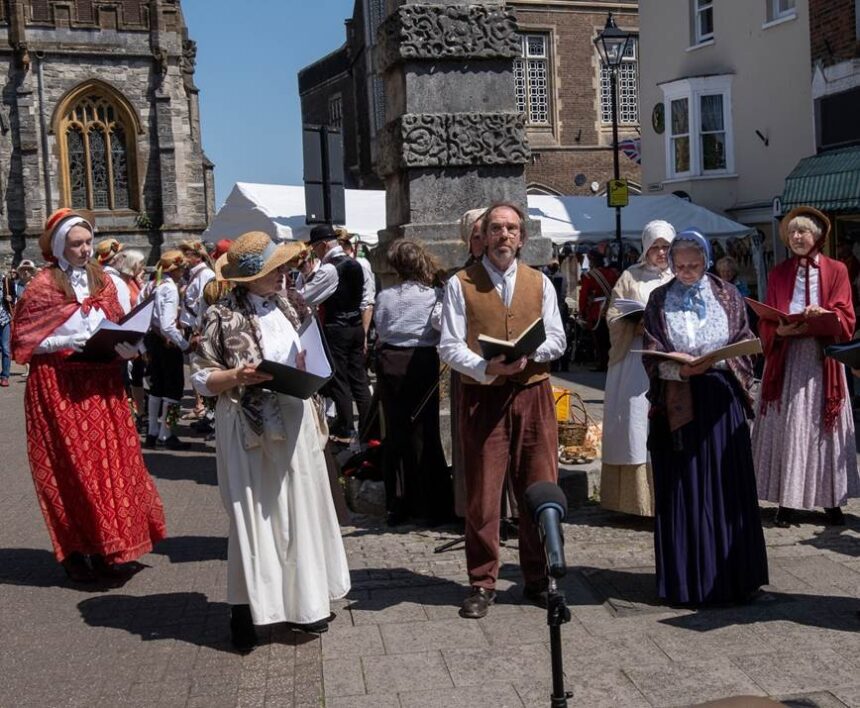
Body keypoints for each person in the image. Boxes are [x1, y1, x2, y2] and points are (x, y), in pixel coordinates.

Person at [191, 230, 350, 652]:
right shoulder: (220, 316)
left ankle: (307, 604)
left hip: (295, 415)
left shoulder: (289, 303)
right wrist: (237, 377)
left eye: (281, 267)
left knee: (300, 509)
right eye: (273, 269)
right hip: (248, 425)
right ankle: (245, 610)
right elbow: (202, 378)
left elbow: (308, 351)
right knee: (254, 516)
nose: (282, 274)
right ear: (250, 278)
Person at [10, 208, 166, 583]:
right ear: (60, 246)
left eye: (87, 242)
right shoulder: (43, 285)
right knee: (75, 471)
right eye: (76, 244)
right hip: (60, 386)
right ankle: (81, 548)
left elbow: (117, 323)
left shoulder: (102, 280)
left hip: (101, 381)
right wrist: (65, 340)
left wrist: (127, 346)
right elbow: (23, 342)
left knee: (112, 466)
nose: (84, 249)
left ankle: (113, 546)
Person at [439, 201, 566, 619]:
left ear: (522, 237)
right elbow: (449, 345)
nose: (504, 236)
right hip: (483, 395)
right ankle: (482, 582)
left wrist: (529, 355)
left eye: (511, 229)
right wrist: (485, 366)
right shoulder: (460, 283)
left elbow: (559, 339)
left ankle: (537, 577)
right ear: (483, 236)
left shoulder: (540, 282)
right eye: (496, 228)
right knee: (483, 492)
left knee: (537, 487)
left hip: (533, 392)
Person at [642, 228, 768, 606]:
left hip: (721, 401)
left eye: (693, 265)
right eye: (679, 265)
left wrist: (724, 359)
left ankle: (734, 578)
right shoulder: (658, 298)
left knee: (726, 489)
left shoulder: (728, 295)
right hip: (679, 402)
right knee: (685, 488)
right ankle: (687, 580)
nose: (686, 271)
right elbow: (650, 352)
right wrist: (678, 370)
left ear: (707, 261)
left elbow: (745, 341)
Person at [753, 207, 860, 527]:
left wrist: (824, 315)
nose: (797, 237)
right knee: (790, 427)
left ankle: (830, 499)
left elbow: (847, 316)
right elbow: (767, 317)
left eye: (804, 231)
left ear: (818, 237)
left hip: (822, 360)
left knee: (823, 430)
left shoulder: (837, 269)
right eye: (793, 232)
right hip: (787, 360)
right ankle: (787, 500)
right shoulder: (779, 272)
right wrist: (778, 331)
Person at [374, 239, 452, 526]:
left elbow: (380, 326)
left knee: (396, 432)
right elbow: (439, 326)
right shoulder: (433, 295)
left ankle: (398, 503)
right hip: (419, 360)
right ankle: (432, 503)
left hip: (389, 360)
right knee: (424, 429)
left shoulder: (385, 296)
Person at [601, 220, 676, 517]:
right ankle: (636, 501)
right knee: (635, 423)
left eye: (665, 247)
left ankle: (670, 495)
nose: (660, 252)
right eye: (655, 246)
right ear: (645, 248)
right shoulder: (631, 277)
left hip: (669, 359)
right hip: (635, 358)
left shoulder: (681, 275)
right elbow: (614, 315)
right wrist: (635, 323)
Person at [296, 224, 372, 442]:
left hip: (337, 328)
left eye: (315, 248)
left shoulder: (331, 269)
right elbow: (365, 298)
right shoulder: (355, 264)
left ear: (322, 245)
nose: (315, 253)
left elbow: (307, 297)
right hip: (355, 326)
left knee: (339, 379)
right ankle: (366, 426)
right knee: (359, 379)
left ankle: (346, 426)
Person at [143, 250, 192, 451]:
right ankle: (166, 433)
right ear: (177, 269)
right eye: (182, 268)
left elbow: (140, 312)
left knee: (157, 387)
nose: (184, 271)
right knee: (174, 389)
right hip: (167, 343)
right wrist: (185, 345)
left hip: (152, 340)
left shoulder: (151, 285)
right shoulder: (170, 288)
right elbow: (167, 325)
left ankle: (153, 432)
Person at [578, 245, 619, 371]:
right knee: (611, 339)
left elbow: (584, 296)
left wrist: (582, 311)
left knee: (600, 340)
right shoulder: (613, 273)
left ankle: (603, 364)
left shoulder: (590, 276)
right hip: (613, 308)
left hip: (598, 310)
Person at [94, 238, 132, 314]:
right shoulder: (118, 282)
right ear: (115, 259)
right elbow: (125, 313)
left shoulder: (94, 278)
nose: (125, 257)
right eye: (123, 256)